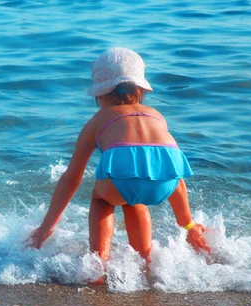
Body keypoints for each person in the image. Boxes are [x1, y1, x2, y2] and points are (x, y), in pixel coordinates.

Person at [29, 48, 210, 283]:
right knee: (134, 199)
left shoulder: (98, 120)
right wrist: (188, 224)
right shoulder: (156, 115)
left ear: (100, 94)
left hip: (121, 179)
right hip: (168, 179)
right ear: (141, 91)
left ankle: (98, 264)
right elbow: (173, 171)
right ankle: (146, 263)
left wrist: (46, 228)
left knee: (102, 199)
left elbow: (72, 177)